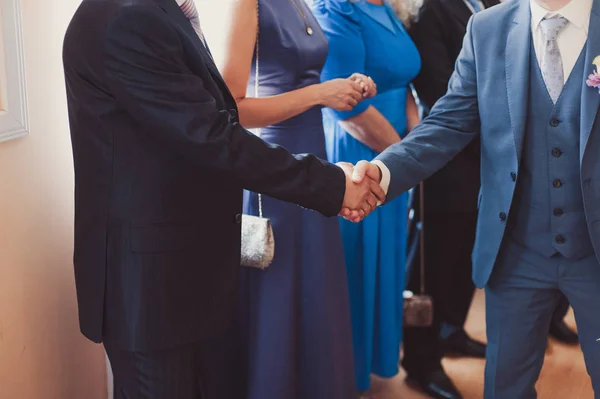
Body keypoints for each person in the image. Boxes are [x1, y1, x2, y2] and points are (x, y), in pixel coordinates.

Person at [62, 0, 384, 397]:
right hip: (151, 284)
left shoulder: (157, 10)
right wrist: (330, 183)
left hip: (182, 264)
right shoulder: (128, 17)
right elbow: (213, 135)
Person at [347, 0, 600, 396]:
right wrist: (383, 171)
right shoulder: (487, 28)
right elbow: (447, 123)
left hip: (594, 249)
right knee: (505, 387)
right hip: (515, 250)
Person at [217, 0, 376, 398]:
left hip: (314, 160)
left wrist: (349, 87)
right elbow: (230, 108)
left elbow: (306, 76)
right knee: (281, 294)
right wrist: (319, 93)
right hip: (275, 170)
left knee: (315, 290)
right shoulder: (246, 3)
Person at [310, 0, 422, 394]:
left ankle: (368, 367)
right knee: (354, 263)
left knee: (385, 259)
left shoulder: (387, 7)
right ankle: (343, 374)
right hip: (358, 152)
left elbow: (405, 79)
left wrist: (416, 139)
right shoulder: (337, 8)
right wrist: (408, 158)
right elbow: (349, 109)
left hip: (395, 152)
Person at [401, 0, 495, 398]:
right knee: (433, 267)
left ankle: (452, 331)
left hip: (485, 164)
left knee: (466, 261)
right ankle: (421, 362)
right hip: (448, 163)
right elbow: (440, 93)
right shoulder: (431, 12)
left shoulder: (489, 5)